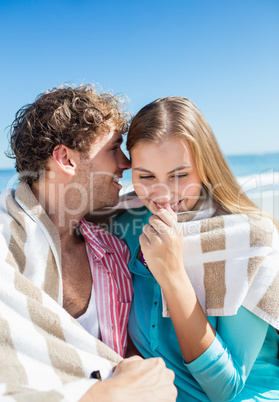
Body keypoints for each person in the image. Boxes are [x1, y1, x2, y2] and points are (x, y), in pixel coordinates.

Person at [0, 85, 177, 401]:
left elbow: (121, 353)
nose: (125, 163)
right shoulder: (7, 240)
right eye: (113, 149)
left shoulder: (112, 251)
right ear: (65, 158)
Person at [112, 96, 279, 401]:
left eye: (180, 175)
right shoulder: (123, 224)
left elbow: (226, 389)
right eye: (146, 176)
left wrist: (173, 274)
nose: (163, 194)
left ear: (205, 166)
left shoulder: (247, 239)